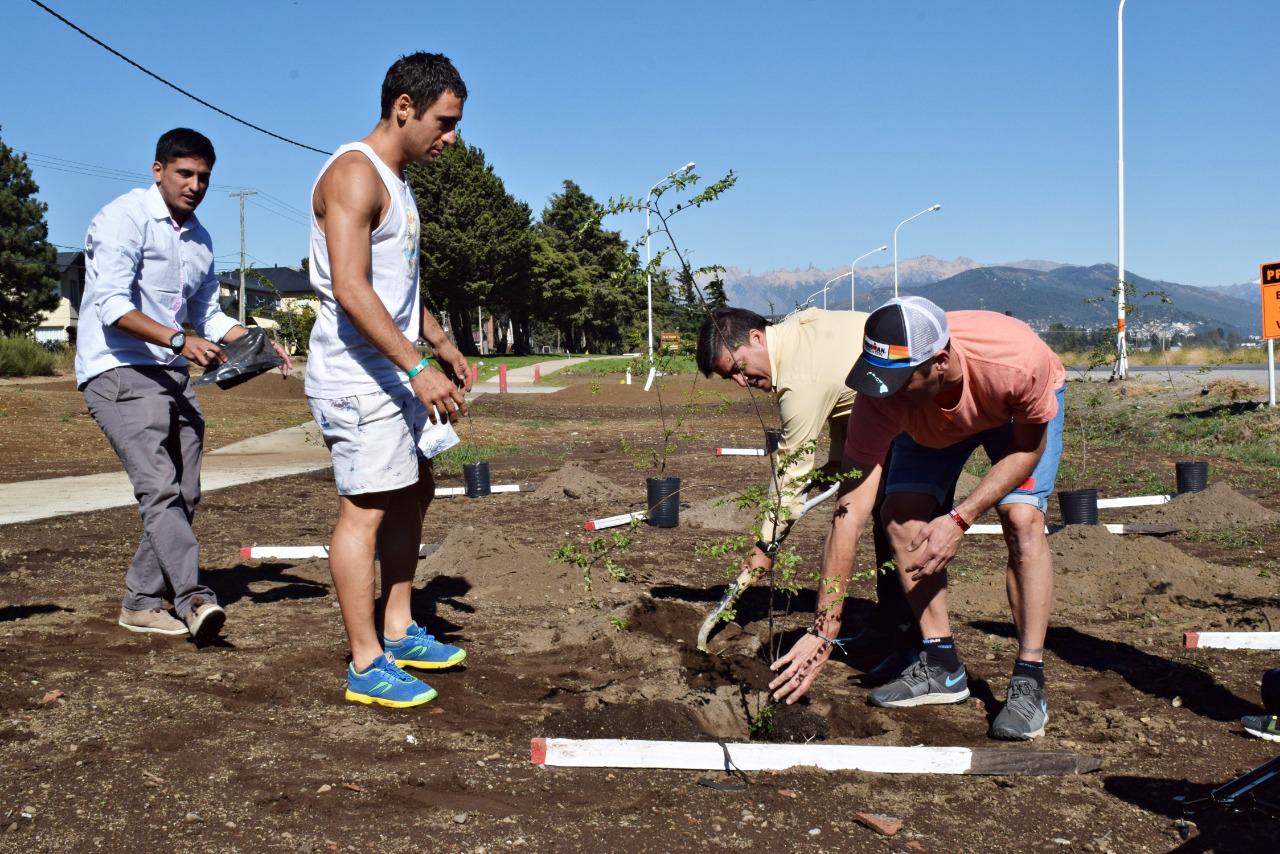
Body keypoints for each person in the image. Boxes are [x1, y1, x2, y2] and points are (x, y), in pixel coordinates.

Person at [769, 296, 1066, 741]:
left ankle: (1029, 679)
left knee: (1022, 518)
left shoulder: (1016, 362)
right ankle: (941, 664)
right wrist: (825, 625)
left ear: (940, 362)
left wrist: (961, 517)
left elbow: (1027, 451)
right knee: (899, 514)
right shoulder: (882, 394)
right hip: (933, 428)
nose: (887, 394)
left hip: (1008, 414)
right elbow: (848, 512)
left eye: (901, 380)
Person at [76, 128, 291, 642]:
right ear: (158, 170)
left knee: (183, 491)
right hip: (119, 369)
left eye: (204, 177)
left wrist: (260, 342)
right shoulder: (122, 218)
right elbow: (111, 306)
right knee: (159, 488)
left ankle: (142, 601)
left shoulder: (199, 239)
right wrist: (178, 340)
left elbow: (209, 316)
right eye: (184, 174)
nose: (195, 185)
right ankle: (193, 598)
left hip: (170, 373)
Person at [306, 52, 474, 708]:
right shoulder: (354, 173)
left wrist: (438, 339)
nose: (451, 137)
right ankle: (365, 663)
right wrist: (417, 366)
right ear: (404, 107)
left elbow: (394, 286)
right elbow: (351, 288)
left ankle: (399, 628)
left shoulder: (398, 181)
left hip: (395, 369)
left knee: (416, 487)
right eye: (444, 121)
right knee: (365, 510)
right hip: (358, 377)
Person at [696, 307, 915, 657]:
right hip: (888, 410)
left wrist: (765, 546)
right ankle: (893, 624)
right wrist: (840, 459)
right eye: (730, 378)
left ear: (756, 337)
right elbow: (848, 396)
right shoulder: (799, 329)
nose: (742, 382)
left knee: (897, 519)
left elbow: (791, 472)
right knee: (883, 513)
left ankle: (913, 642)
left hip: (920, 409)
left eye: (739, 368)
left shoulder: (799, 377)